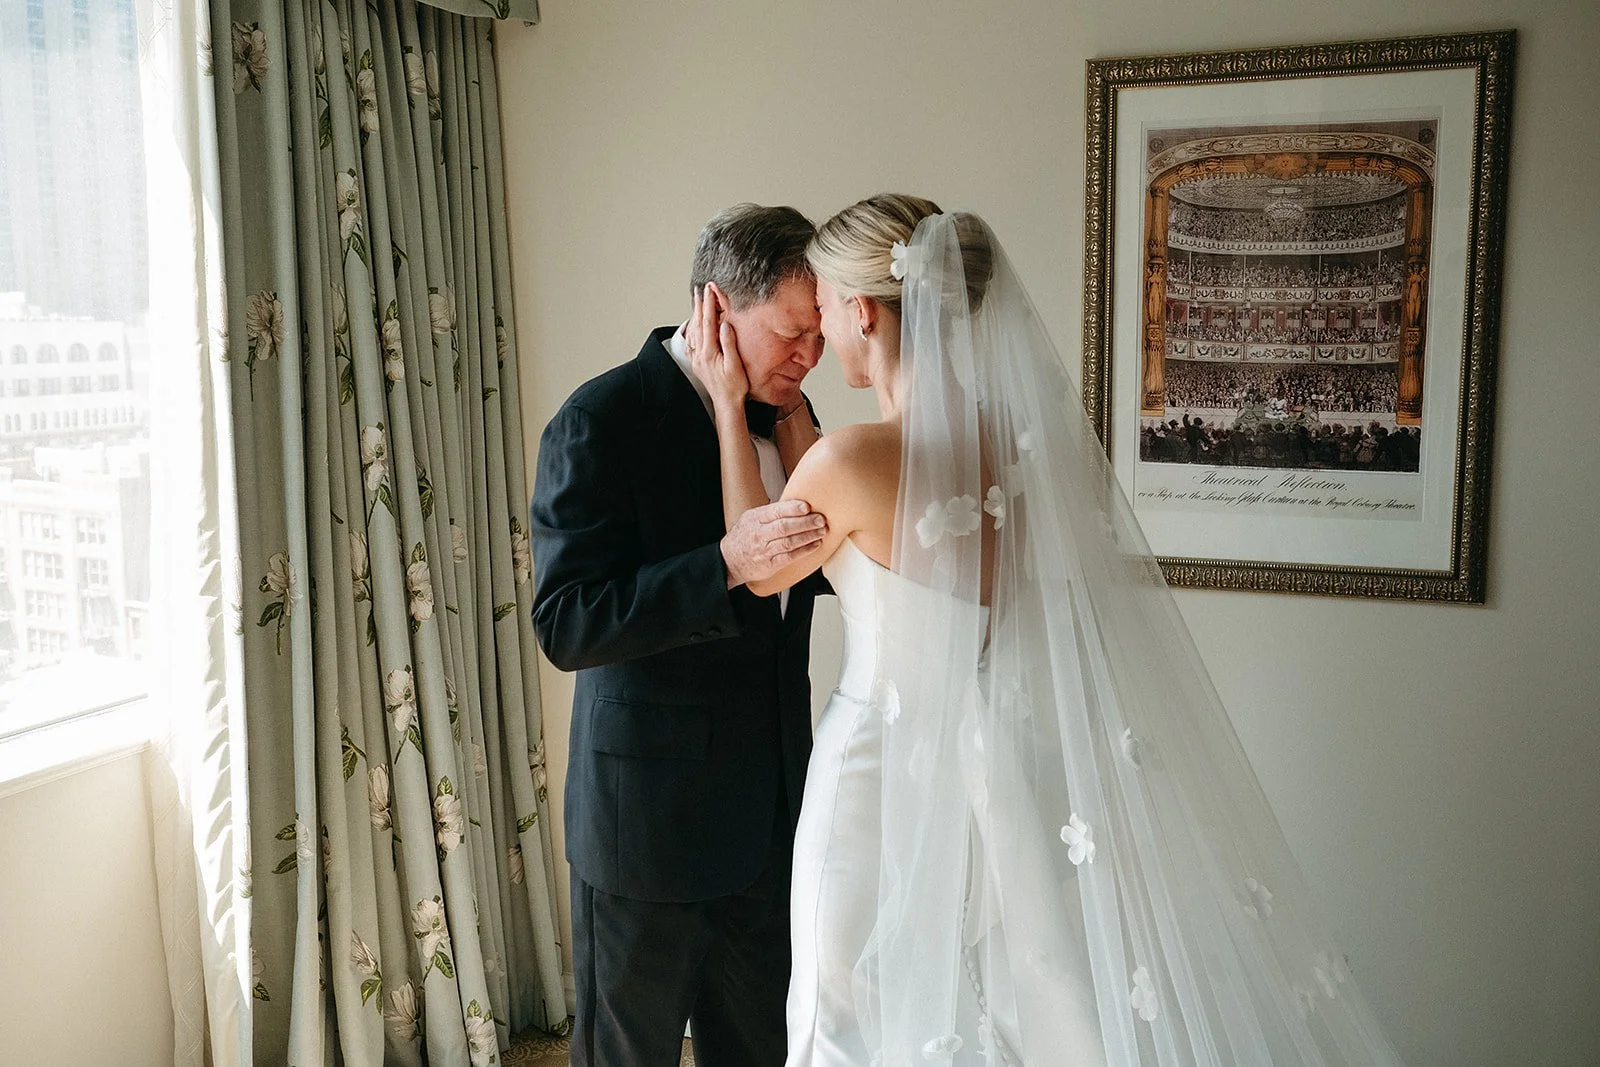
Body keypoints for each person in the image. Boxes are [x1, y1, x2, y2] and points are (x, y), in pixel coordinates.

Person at [692, 194, 1407, 1065]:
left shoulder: (847, 462)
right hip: (994, 760)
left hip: (878, 767)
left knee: (845, 1004)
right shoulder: (1016, 447)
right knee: (993, 1000)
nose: (818, 337)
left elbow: (757, 568)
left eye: (828, 308)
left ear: (864, 311)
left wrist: (733, 408)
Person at [528, 203, 833, 1067]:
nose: (812, 355)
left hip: (772, 826)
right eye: (791, 332)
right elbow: (567, 620)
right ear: (716, 309)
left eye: (818, 331)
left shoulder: (793, 423)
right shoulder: (601, 421)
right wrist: (723, 564)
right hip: (646, 839)